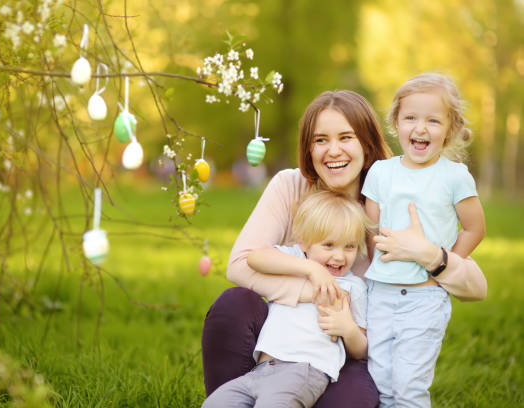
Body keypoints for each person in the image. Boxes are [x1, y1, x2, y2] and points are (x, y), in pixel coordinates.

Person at [201, 90, 488, 408]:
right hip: (284, 341)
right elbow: (240, 263)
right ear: (308, 148)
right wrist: (321, 285)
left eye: (345, 137)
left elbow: (476, 287)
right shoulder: (291, 186)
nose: (332, 151)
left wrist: (433, 257)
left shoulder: (394, 199)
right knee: (234, 304)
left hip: (350, 348)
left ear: (366, 144)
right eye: (320, 140)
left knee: (355, 400)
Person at [362, 73, 486, 407]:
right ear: (396, 123)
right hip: (380, 296)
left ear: (450, 127)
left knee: (409, 388)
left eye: (433, 120)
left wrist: (443, 266)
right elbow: (370, 231)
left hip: (423, 300)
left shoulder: (454, 176)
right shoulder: (380, 173)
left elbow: (474, 228)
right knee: (381, 384)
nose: (420, 128)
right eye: (411, 118)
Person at [203, 191, 371, 407]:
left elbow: (362, 350)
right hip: (261, 369)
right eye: (328, 245)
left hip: (305, 371)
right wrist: (311, 269)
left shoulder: (352, 287)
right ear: (303, 243)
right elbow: (255, 257)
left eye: (349, 246)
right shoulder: (294, 262)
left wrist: (348, 329)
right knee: (216, 403)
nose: (339, 256)